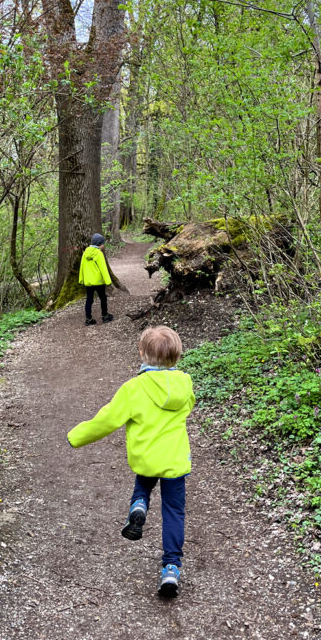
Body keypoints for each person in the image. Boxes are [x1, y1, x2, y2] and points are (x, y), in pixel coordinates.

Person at [67, 325, 195, 597]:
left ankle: (138, 505)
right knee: (174, 513)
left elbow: (107, 419)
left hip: (146, 458)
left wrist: (77, 436)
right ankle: (171, 568)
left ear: (141, 353)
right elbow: (189, 405)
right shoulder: (185, 383)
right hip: (174, 460)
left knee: (144, 483)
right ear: (178, 357)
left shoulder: (133, 389)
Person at [79, 233, 114, 326]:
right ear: (99, 244)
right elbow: (103, 268)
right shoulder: (99, 253)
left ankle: (88, 318)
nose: (104, 245)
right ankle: (105, 315)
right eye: (103, 243)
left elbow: (82, 267)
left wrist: (81, 279)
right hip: (98, 282)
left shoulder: (85, 252)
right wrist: (108, 281)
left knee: (89, 300)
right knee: (103, 298)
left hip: (88, 282)